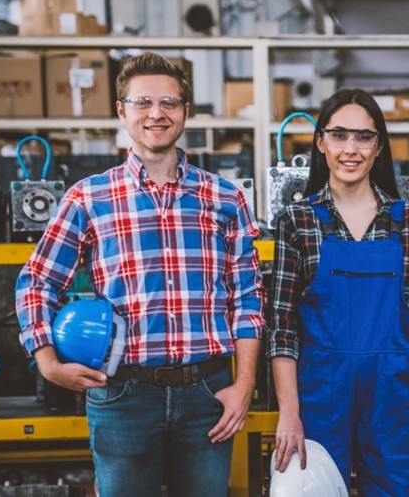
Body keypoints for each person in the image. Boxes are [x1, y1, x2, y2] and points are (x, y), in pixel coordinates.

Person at [16, 52, 266, 497]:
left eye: (169, 102)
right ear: (122, 111)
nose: (157, 114)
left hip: (207, 394)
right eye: (143, 102)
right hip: (122, 396)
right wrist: (47, 362)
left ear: (186, 111)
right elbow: (37, 281)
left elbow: (248, 300)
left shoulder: (225, 198)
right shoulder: (88, 198)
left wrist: (243, 385)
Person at [269, 88, 409, 496]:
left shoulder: (408, 223)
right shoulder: (297, 222)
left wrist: (392, 362)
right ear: (320, 141)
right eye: (340, 135)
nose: (351, 148)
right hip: (319, 396)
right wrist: (289, 412)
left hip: (391, 396)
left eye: (364, 137)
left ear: (379, 146)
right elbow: (281, 327)